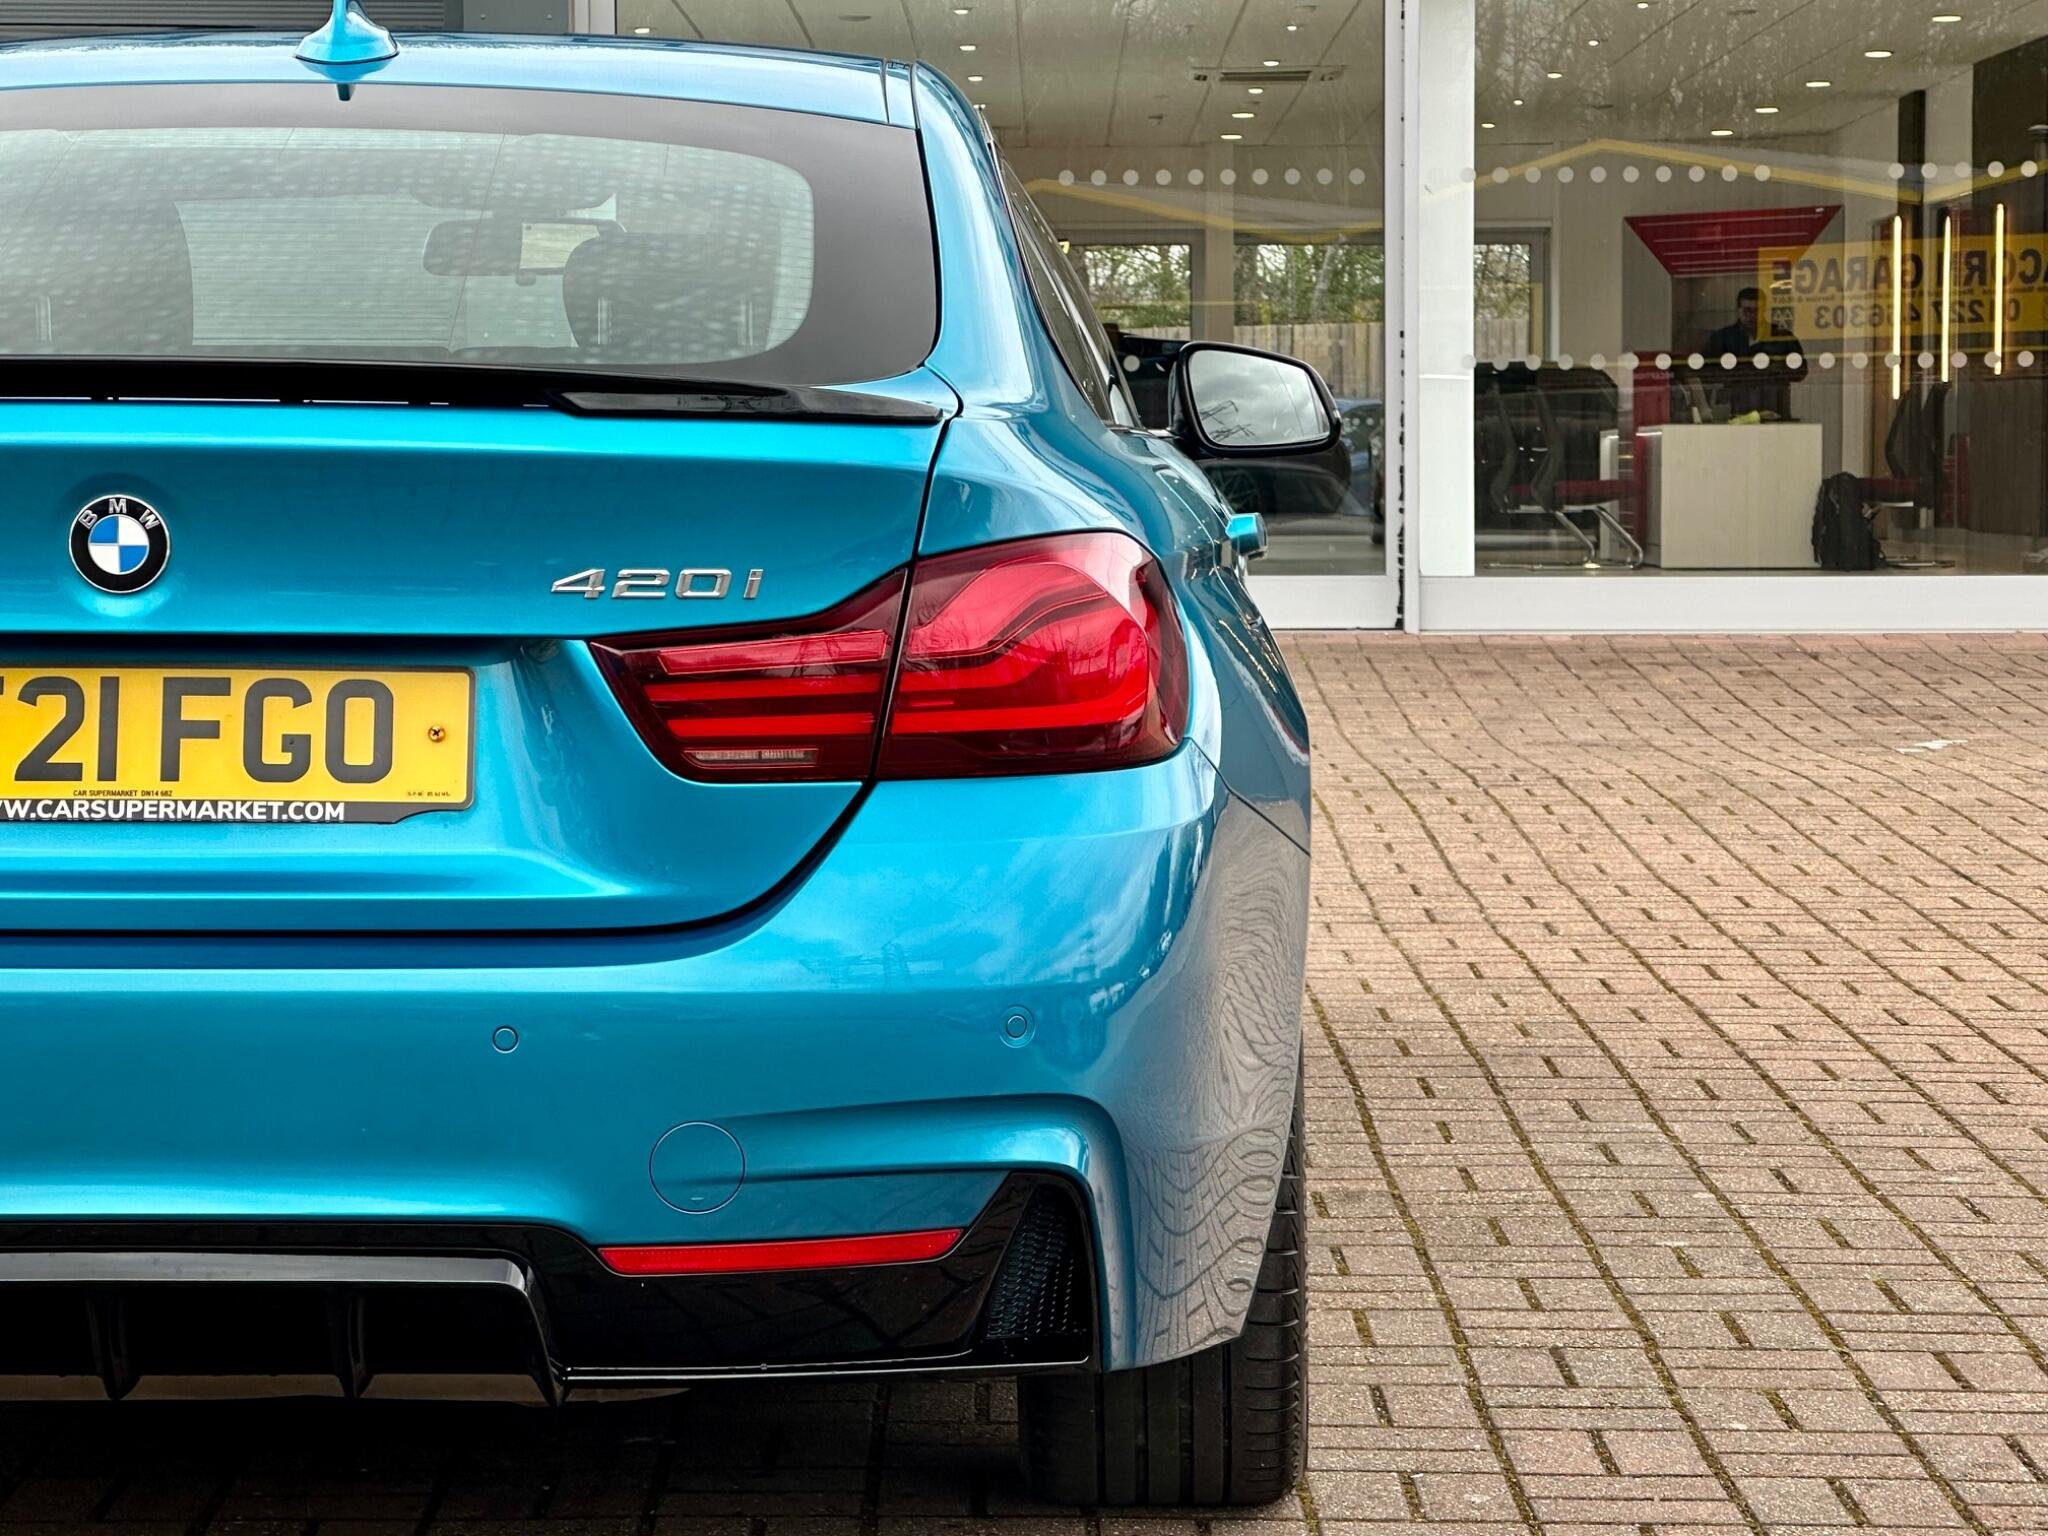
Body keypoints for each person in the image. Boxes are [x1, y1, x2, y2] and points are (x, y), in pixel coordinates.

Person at [1704, 286, 1808, 419]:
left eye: (1757, 310)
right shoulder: (1722, 338)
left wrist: (1777, 367)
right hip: (1737, 410)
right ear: (1738, 310)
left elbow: (1800, 372)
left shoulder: (1781, 337)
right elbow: (1706, 372)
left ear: (1764, 310)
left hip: (1775, 409)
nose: (1752, 316)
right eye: (1747, 310)